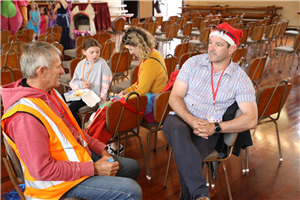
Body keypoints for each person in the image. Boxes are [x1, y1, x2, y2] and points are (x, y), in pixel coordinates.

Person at [0, 41, 142, 200]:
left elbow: (74, 131)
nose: (62, 71)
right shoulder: (24, 117)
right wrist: (94, 169)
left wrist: (101, 148)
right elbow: (42, 171)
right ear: (42, 71)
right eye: (58, 66)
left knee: (133, 168)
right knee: (132, 191)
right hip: (55, 185)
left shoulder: (50, 93)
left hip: (76, 161)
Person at [162, 23, 258, 200]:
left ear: (232, 49)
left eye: (218, 44)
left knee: (188, 159)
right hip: (181, 118)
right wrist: (190, 119)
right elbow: (174, 97)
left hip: (210, 127)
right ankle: (200, 194)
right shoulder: (193, 63)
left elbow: (251, 119)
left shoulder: (240, 78)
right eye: (210, 42)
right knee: (178, 133)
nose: (211, 48)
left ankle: (194, 197)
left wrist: (215, 127)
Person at [106, 26, 168, 155]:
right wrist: (126, 91)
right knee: (115, 105)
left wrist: (122, 97)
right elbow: (139, 84)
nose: (130, 53)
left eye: (130, 49)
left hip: (153, 109)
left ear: (138, 45)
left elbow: (141, 92)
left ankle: (114, 146)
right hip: (155, 102)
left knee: (113, 111)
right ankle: (114, 142)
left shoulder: (150, 62)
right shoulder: (151, 54)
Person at [69, 38, 112, 128]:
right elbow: (73, 83)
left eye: (97, 52)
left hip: (93, 96)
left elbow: (106, 84)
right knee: (59, 98)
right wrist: (81, 84)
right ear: (84, 52)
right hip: (80, 93)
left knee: (71, 109)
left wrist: (101, 100)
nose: (95, 55)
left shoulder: (102, 63)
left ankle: (80, 131)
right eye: (91, 52)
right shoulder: (80, 64)